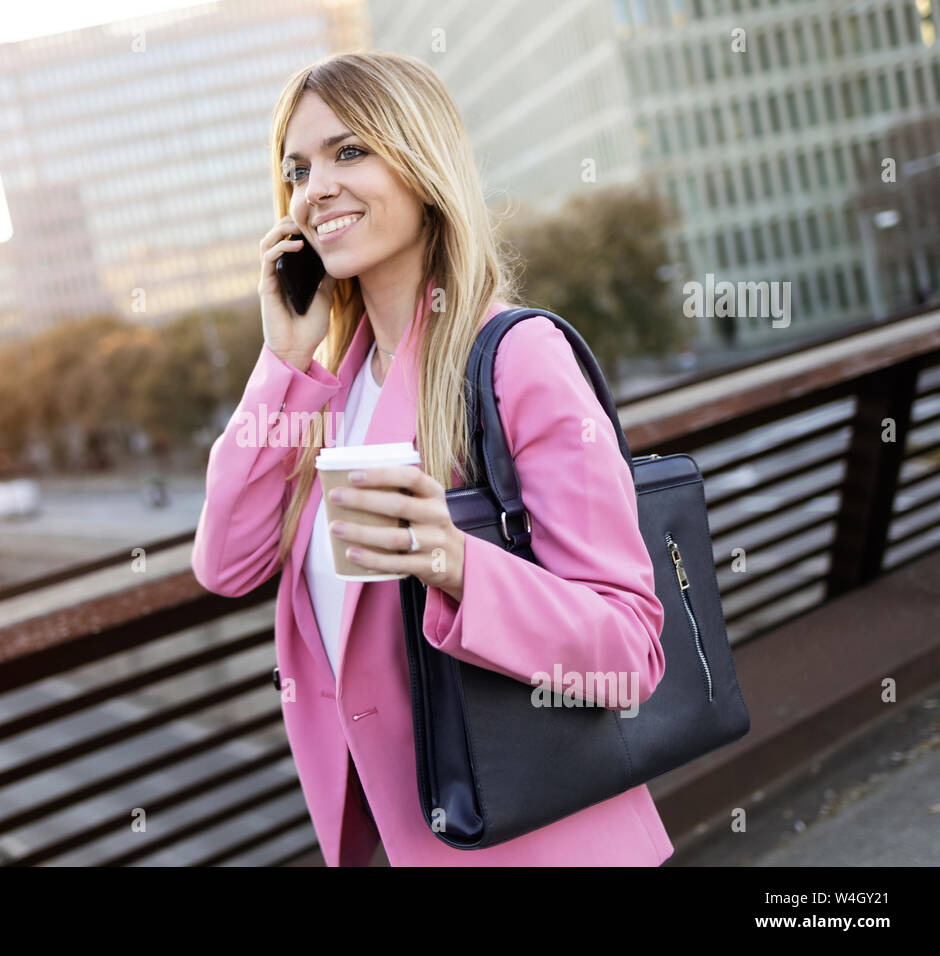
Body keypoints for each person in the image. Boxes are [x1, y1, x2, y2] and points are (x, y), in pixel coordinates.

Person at [191, 51, 670, 866]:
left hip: (551, 848)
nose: (315, 189)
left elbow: (629, 652)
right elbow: (226, 564)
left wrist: (454, 561)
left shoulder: (518, 358)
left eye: (349, 152)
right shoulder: (326, 395)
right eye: (296, 170)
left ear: (421, 165)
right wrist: (283, 361)